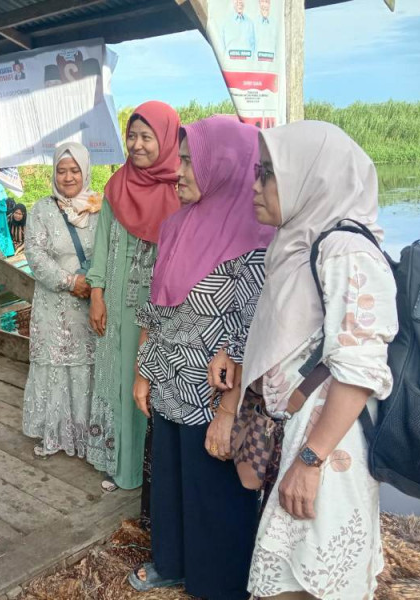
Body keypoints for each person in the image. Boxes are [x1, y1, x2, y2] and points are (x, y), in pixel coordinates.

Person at [209, 121, 398, 600]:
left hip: (327, 446)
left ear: (312, 178)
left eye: (269, 174)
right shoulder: (296, 242)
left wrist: (311, 460)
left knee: (313, 577)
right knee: (288, 572)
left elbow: (359, 370)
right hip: (297, 434)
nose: (256, 186)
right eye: (257, 172)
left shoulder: (346, 251)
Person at [129, 117, 275, 596]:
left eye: (192, 162)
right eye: (182, 160)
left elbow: (248, 332)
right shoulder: (176, 225)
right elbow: (156, 309)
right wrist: (143, 373)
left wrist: (228, 412)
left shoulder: (254, 236)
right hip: (169, 379)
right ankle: (172, 562)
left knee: (213, 489)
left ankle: (217, 584)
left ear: (225, 166)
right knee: (171, 482)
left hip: (213, 394)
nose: (179, 172)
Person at [86, 101, 181, 495]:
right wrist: (96, 293)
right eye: (132, 136)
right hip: (117, 301)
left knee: (153, 382)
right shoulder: (117, 185)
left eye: (147, 137)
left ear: (167, 139)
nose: (137, 145)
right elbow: (102, 244)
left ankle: (155, 474)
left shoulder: (181, 189)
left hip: (162, 307)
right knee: (121, 381)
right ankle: (123, 468)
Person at [22, 142, 101, 458]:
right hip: (53, 306)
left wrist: (95, 285)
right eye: (61, 170)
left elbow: (109, 251)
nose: (68, 177)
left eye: (75, 170)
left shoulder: (99, 208)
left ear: (86, 172)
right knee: (55, 363)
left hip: (91, 303)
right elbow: (35, 255)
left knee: (86, 365)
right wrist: (70, 282)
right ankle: (56, 434)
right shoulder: (41, 210)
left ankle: (88, 435)